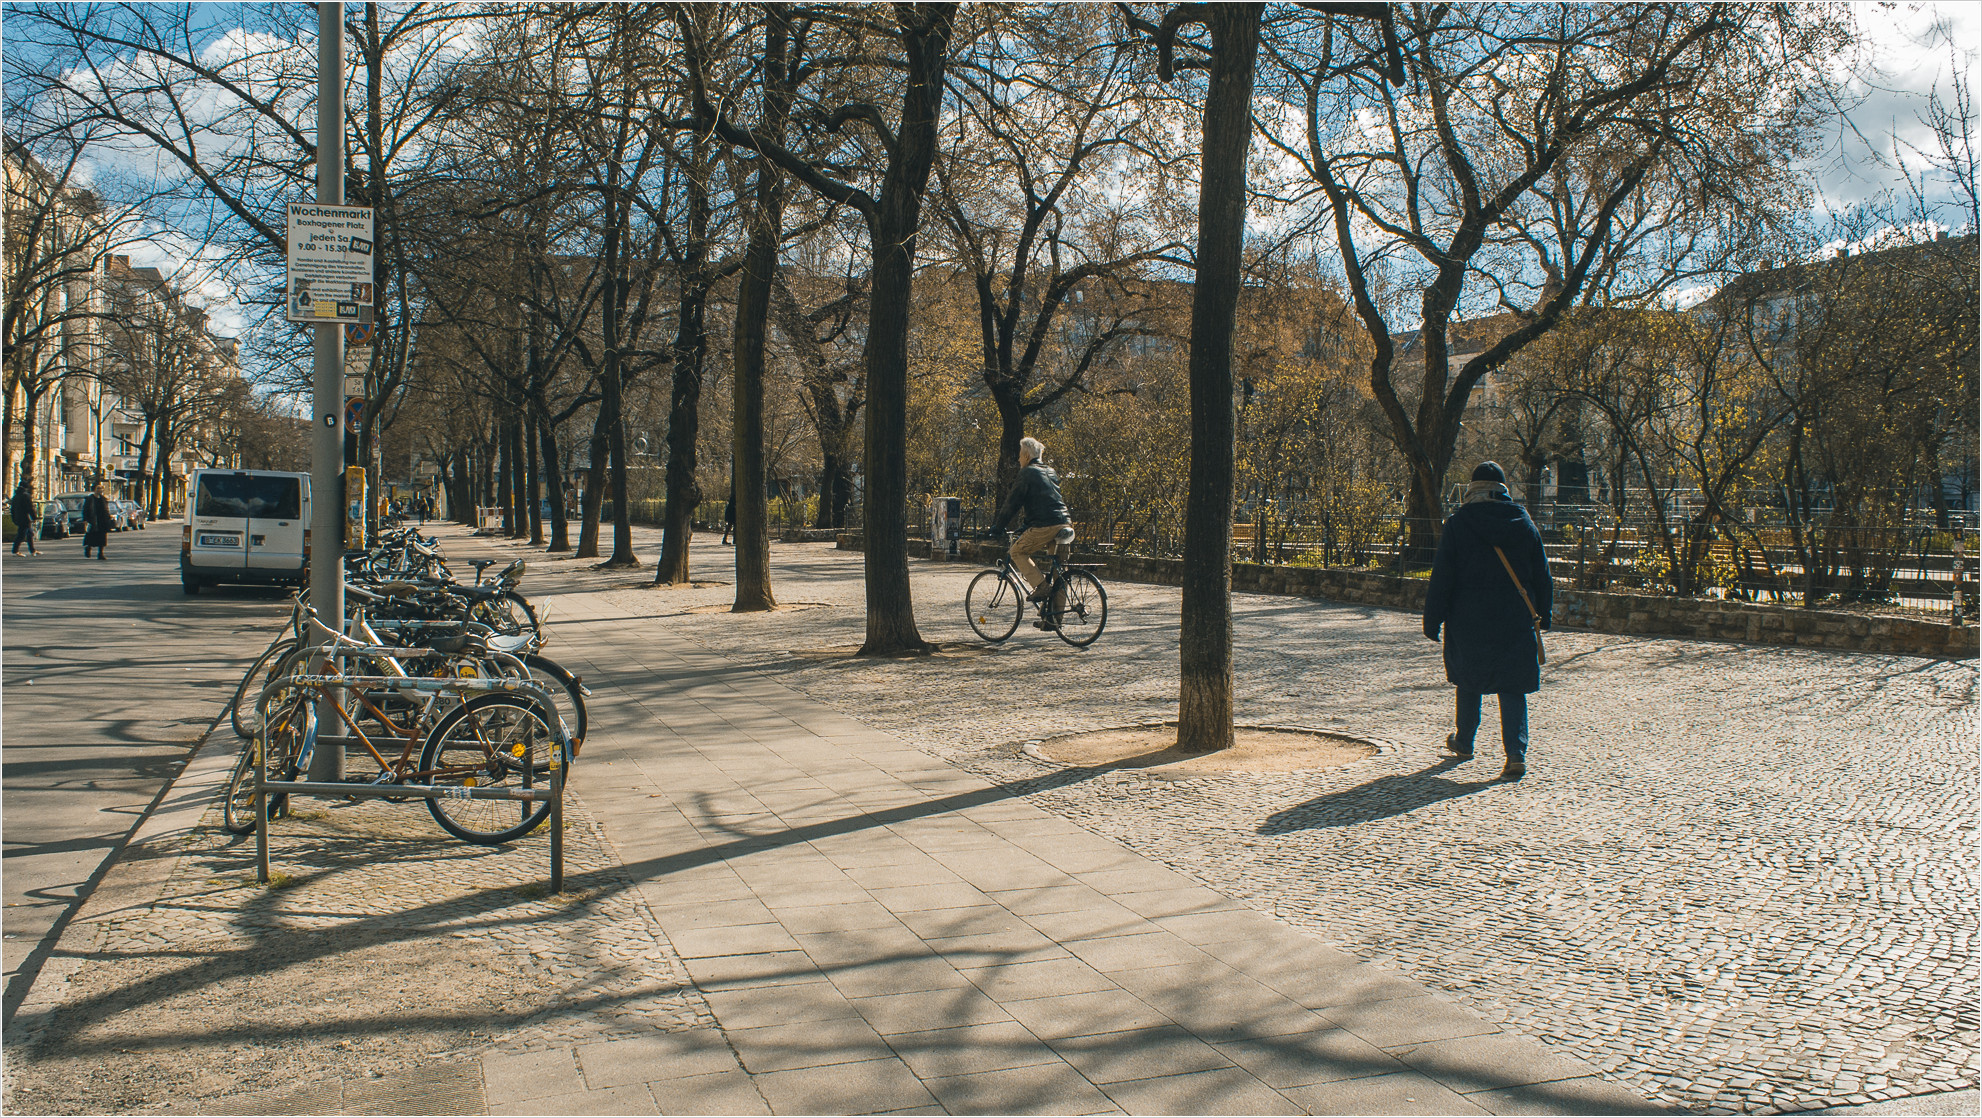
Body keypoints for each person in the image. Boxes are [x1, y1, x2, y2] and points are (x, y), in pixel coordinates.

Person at [1422, 462, 1552, 780]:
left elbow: (1443, 577)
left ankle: (1464, 741)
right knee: (1512, 687)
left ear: (1472, 489)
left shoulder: (1458, 523)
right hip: (1514, 619)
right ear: (1503, 489)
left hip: (1469, 619)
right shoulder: (1523, 522)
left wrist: (1432, 618)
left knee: (1468, 681)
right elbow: (1542, 574)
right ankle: (1515, 755)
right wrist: (1544, 614)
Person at [992, 436, 1074, 630]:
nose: (1019, 460)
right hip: (1065, 524)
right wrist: (1026, 525)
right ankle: (1054, 620)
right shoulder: (1051, 471)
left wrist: (997, 527)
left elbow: (1012, 503)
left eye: (1020, 456)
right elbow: (1044, 502)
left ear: (1027, 455)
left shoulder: (1027, 473)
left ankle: (1041, 586)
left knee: (1017, 552)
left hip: (1046, 526)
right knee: (1059, 573)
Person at [82, 483, 114, 561]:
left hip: (102, 521)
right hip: (93, 520)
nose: (100, 490)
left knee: (102, 538)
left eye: (101, 489)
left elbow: (106, 509)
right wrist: (85, 519)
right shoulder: (90, 499)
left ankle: (100, 554)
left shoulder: (103, 499)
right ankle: (88, 548)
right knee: (91, 537)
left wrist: (109, 518)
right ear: (95, 490)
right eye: (98, 488)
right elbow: (85, 509)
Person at [10, 482, 39, 557]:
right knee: (21, 535)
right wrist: (34, 517)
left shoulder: (15, 497)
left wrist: (14, 519)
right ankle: (15, 551)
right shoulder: (26, 496)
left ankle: (32, 550)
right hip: (25, 518)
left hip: (18, 518)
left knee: (29, 534)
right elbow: (30, 508)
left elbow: (12, 510)